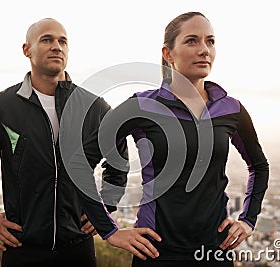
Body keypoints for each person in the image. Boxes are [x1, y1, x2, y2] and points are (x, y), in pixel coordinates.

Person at [0, 18, 160, 267]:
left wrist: (108, 204)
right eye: (47, 40)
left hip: (78, 250)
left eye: (62, 41)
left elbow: (119, 161)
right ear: (27, 50)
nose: (56, 46)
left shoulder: (94, 109)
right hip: (22, 249)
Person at [86, 11, 269, 266]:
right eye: (192, 40)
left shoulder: (230, 109)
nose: (204, 50)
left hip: (215, 252)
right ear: (168, 53)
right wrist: (109, 230)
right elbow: (80, 162)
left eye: (210, 41)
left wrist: (248, 220)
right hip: (156, 253)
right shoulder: (141, 106)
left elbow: (259, 166)